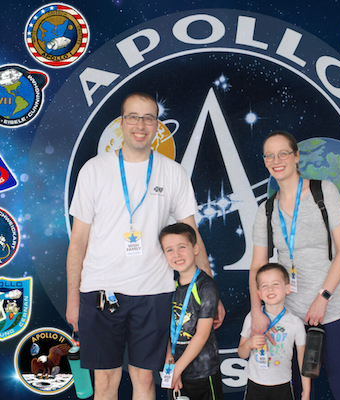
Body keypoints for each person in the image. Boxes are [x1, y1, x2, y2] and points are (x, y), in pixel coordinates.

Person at [66, 92, 225, 400]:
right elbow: (78, 242)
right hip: (101, 290)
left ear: (157, 126)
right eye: (133, 117)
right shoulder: (94, 170)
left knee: (146, 380)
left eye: (149, 118)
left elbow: (192, 237)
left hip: (153, 291)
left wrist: (211, 294)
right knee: (105, 382)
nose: (141, 125)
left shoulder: (172, 172)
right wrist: (73, 298)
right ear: (121, 123)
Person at [249, 131, 340, 399]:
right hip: (291, 314)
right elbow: (257, 266)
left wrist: (323, 297)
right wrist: (257, 311)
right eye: (269, 155)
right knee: (296, 390)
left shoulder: (323, 192)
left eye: (283, 153)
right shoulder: (267, 210)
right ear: (264, 162)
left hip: (331, 308)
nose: (276, 160)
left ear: (296, 157)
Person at [159, 223, 223, 400]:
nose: (177, 255)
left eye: (182, 247)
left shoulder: (206, 286)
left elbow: (201, 335)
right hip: (176, 372)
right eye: (169, 250)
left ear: (195, 249)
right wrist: (171, 365)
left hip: (203, 372)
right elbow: (166, 332)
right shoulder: (168, 287)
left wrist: (177, 369)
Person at [239, 263, 310, 400]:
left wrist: (306, 392)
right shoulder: (252, 318)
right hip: (255, 384)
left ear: (287, 288)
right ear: (259, 293)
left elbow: (303, 360)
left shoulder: (295, 323)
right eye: (264, 286)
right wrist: (249, 344)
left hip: (282, 385)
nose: (270, 289)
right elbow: (242, 354)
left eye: (276, 284)